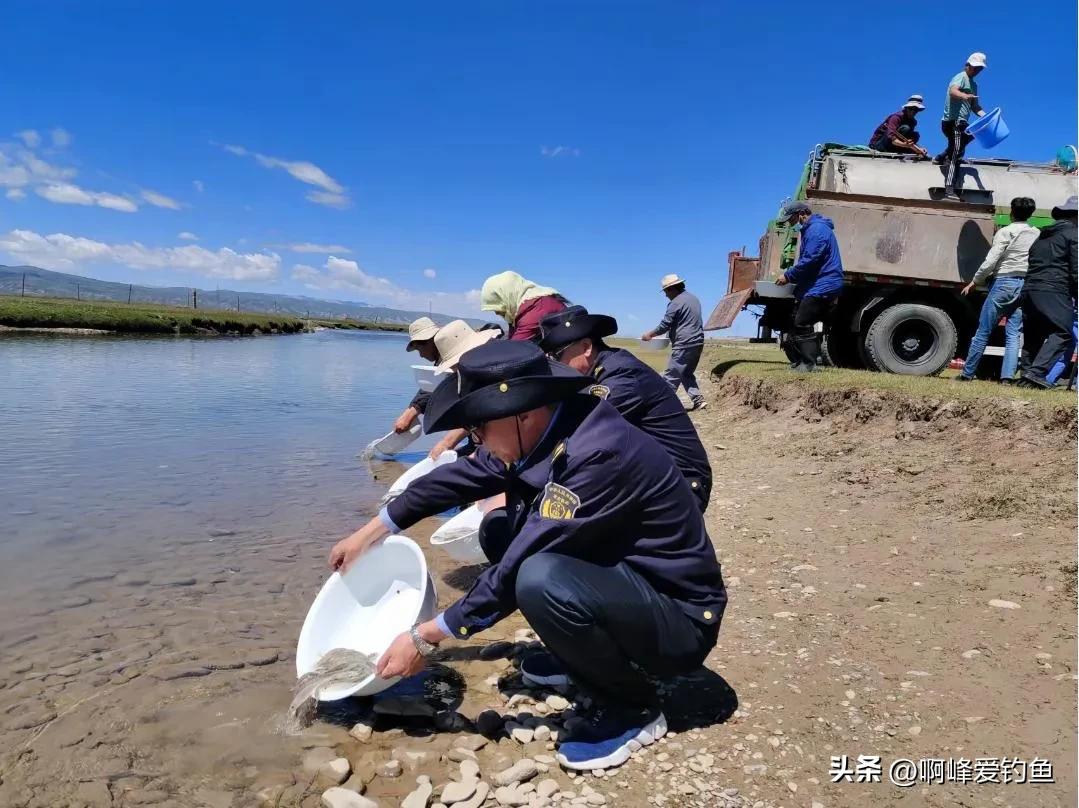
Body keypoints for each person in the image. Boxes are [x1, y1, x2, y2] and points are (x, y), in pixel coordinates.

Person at [329, 340, 725, 771]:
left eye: (480, 428)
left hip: (679, 621)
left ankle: (631, 708)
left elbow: (520, 564)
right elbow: (457, 478)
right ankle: (582, 656)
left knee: (537, 576)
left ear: (524, 411)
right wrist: (372, 531)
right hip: (629, 585)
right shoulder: (550, 425)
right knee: (499, 530)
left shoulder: (595, 452)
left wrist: (425, 637)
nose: (476, 440)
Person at [538, 305, 712, 511]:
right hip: (653, 475)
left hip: (680, 485)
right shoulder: (599, 371)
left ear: (586, 347)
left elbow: (580, 429)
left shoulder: (620, 375)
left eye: (556, 356)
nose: (553, 366)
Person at [956, 197, 1039, 382]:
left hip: (1004, 282)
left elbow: (991, 260)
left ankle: (967, 374)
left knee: (983, 330)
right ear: (1031, 213)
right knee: (1013, 334)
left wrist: (975, 280)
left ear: (1012, 212)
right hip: (1024, 284)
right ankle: (1007, 378)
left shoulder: (1005, 232)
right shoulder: (1035, 233)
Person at [774, 202, 845, 371]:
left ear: (801, 214)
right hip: (818, 283)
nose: (789, 222)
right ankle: (801, 362)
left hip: (824, 283)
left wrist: (788, 275)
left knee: (802, 322)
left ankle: (809, 364)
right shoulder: (811, 229)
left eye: (790, 218)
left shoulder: (816, 230)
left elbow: (810, 260)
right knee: (796, 320)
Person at [1017, 195, 1078, 389]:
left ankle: (1026, 376)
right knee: (1064, 332)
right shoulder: (1074, 235)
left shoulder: (1042, 235)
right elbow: (1077, 270)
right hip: (1054, 290)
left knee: (1034, 334)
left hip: (1030, 290)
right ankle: (1036, 373)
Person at [424, 320, 499, 458]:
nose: (454, 370)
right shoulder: (471, 378)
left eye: (455, 365)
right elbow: (473, 418)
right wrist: (446, 443)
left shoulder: (498, 378)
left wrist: (477, 458)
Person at [641, 274, 707, 410]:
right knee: (685, 373)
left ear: (672, 289)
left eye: (665, 291)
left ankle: (662, 407)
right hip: (698, 342)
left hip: (684, 343)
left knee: (671, 376)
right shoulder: (693, 299)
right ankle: (699, 401)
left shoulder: (675, 302)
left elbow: (665, 325)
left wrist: (649, 335)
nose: (665, 295)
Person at [934, 52, 988, 195]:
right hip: (953, 121)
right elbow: (953, 92)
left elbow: (975, 107)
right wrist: (965, 96)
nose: (976, 70)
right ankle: (950, 186)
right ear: (967, 65)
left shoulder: (974, 85)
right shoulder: (960, 77)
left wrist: (987, 116)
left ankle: (941, 156)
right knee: (957, 152)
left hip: (962, 122)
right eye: (974, 67)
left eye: (979, 68)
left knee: (972, 135)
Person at [480, 270, 568, 342]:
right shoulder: (524, 308)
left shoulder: (534, 311)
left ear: (507, 296)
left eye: (498, 306)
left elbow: (513, 349)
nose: (496, 312)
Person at [391, 317, 441, 434]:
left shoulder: (454, 359)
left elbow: (434, 386)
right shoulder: (441, 360)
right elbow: (431, 385)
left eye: (419, 349)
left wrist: (409, 414)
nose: (421, 355)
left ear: (430, 341)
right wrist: (409, 412)